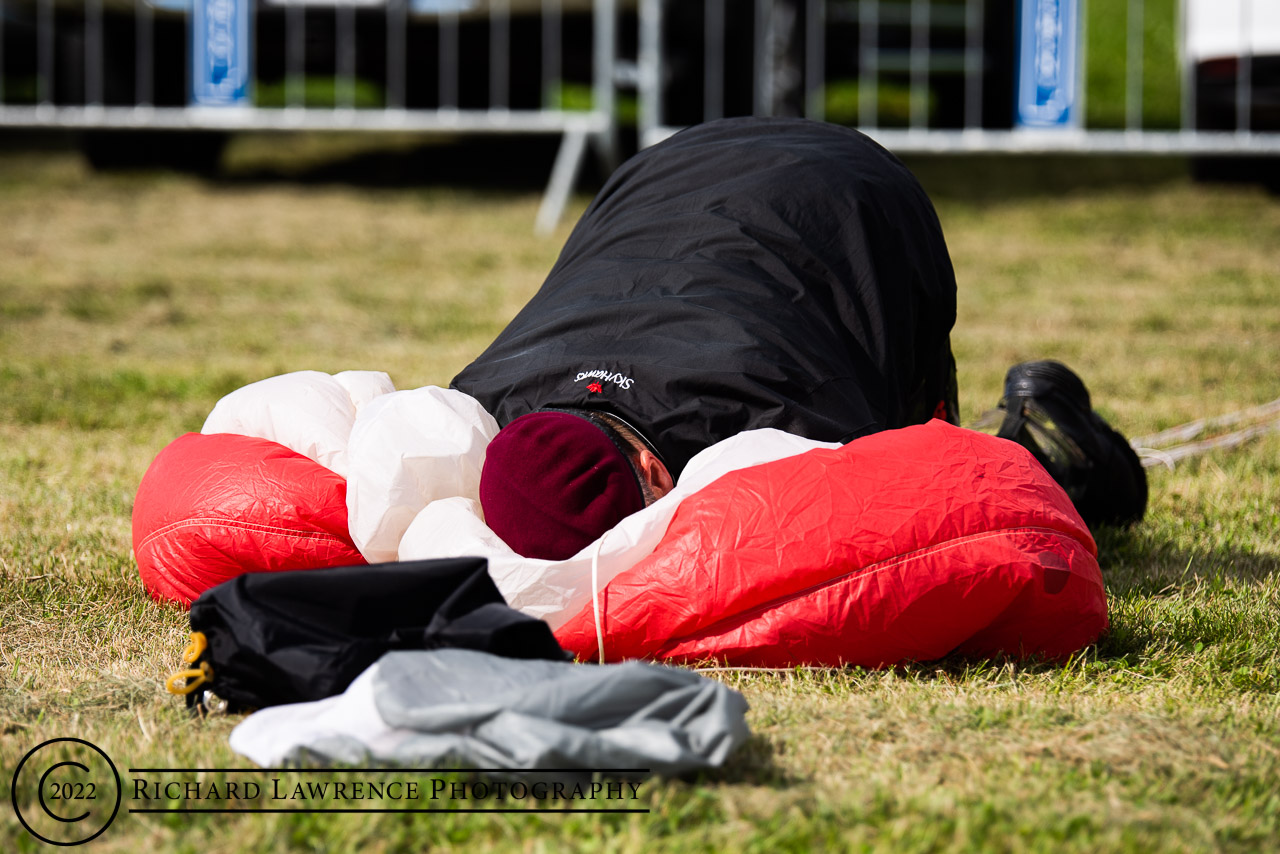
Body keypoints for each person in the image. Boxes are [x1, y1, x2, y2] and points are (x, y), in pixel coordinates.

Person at [451, 117, 1143, 561]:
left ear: (657, 474)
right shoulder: (487, 391)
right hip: (668, 166)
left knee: (950, 499)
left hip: (856, 202)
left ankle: (1064, 449)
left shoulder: (795, 424)